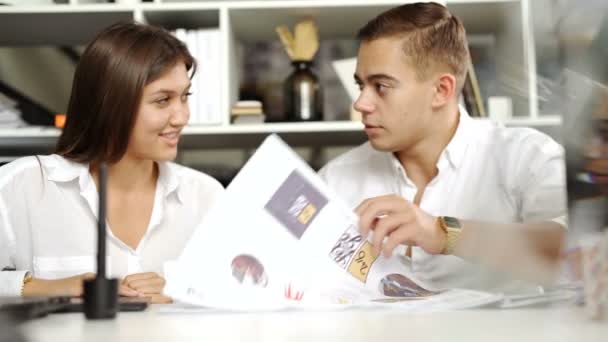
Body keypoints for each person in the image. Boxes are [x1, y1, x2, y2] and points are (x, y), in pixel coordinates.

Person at [319, 2, 567, 290]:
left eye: (381, 86)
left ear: (441, 90)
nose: (360, 103)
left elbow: (579, 248)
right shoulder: (334, 180)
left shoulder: (526, 157)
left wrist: (441, 234)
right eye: (361, 85)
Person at [0, 22, 224, 303]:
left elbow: (248, 290)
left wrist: (182, 289)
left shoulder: (205, 195)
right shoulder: (22, 186)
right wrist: (57, 287)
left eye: (184, 97)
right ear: (110, 104)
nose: (181, 117)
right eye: (163, 100)